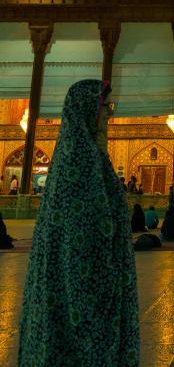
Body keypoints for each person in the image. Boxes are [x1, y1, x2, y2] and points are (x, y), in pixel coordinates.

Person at [18, 79, 139, 366]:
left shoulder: (87, 156)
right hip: (84, 283)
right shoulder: (79, 163)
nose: (110, 113)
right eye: (105, 106)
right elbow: (85, 228)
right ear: (88, 109)